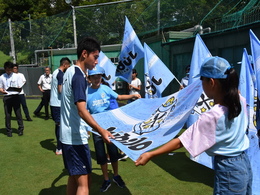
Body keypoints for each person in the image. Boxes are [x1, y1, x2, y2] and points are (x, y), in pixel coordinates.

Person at [135, 56, 252, 195]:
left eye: (202, 80)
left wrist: (151, 154)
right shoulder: (239, 100)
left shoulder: (213, 116)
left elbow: (181, 142)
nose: (201, 85)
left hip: (228, 169)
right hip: (244, 163)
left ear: (212, 82)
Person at [59, 37, 114, 195]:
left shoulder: (70, 71)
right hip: (75, 138)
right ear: (84, 54)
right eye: (95, 57)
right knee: (84, 184)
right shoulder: (78, 77)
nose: (97, 62)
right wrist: (101, 130)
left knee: (73, 177)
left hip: (69, 136)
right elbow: (82, 110)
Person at [87, 65, 141, 192]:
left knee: (113, 153)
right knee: (100, 156)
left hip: (110, 126)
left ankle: (116, 176)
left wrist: (133, 96)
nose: (97, 79)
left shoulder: (105, 88)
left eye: (99, 76)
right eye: (94, 77)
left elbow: (119, 97)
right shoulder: (86, 92)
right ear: (89, 78)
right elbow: (85, 112)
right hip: (96, 129)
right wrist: (88, 129)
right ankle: (106, 179)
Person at [50, 57, 71, 155]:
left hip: (54, 103)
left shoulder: (54, 72)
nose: (68, 68)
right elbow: (60, 89)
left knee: (58, 125)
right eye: (68, 66)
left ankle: (60, 146)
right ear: (65, 65)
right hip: (58, 104)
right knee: (60, 126)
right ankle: (59, 148)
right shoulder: (60, 74)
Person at [0, 62, 24, 137]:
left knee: (18, 114)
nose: (9, 71)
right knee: (8, 115)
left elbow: (20, 86)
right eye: (7, 70)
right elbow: (0, 87)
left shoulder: (16, 76)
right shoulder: (2, 77)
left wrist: (18, 89)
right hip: (7, 96)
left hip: (15, 96)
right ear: (5, 69)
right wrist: (2, 91)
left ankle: (20, 129)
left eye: (10, 70)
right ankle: (8, 131)